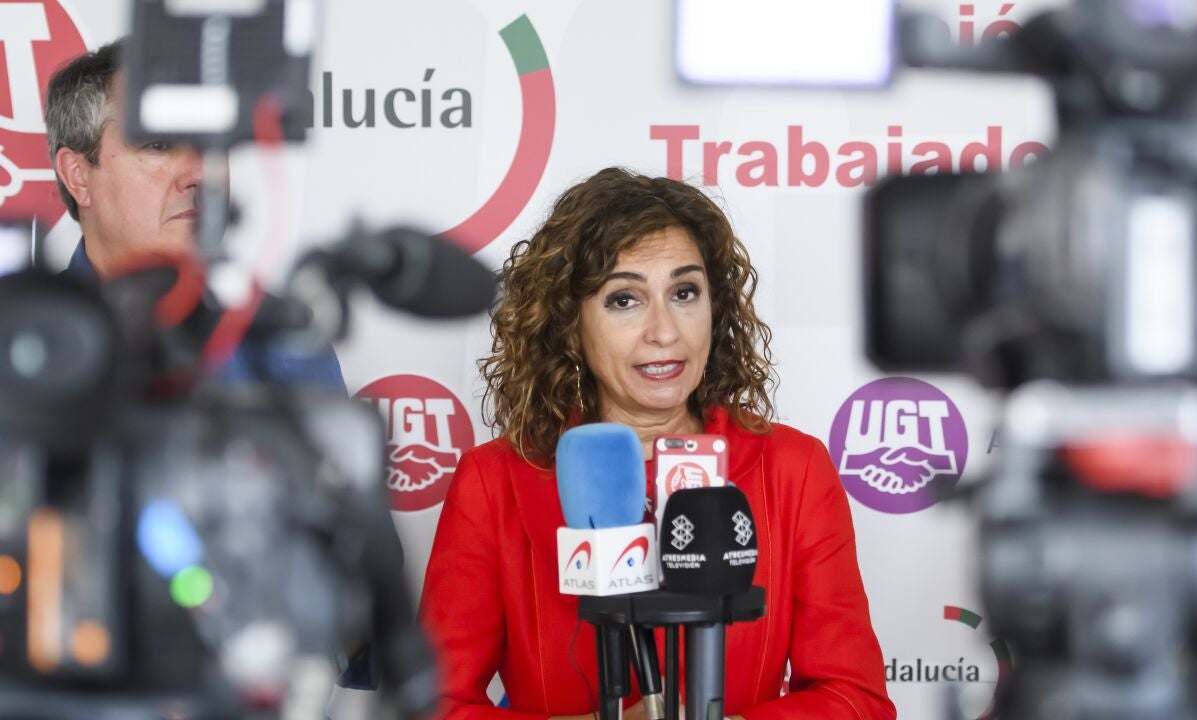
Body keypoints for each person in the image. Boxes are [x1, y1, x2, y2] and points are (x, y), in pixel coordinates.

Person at [422, 167, 895, 719]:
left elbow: (855, 699)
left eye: (684, 293)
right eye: (625, 299)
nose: (665, 331)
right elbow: (431, 706)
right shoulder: (493, 481)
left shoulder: (794, 469)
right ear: (570, 324)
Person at [45, 38, 343, 388]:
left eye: (210, 147)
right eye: (158, 145)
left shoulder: (285, 341)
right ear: (78, 176)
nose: (201, 175)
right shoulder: (22, 336)